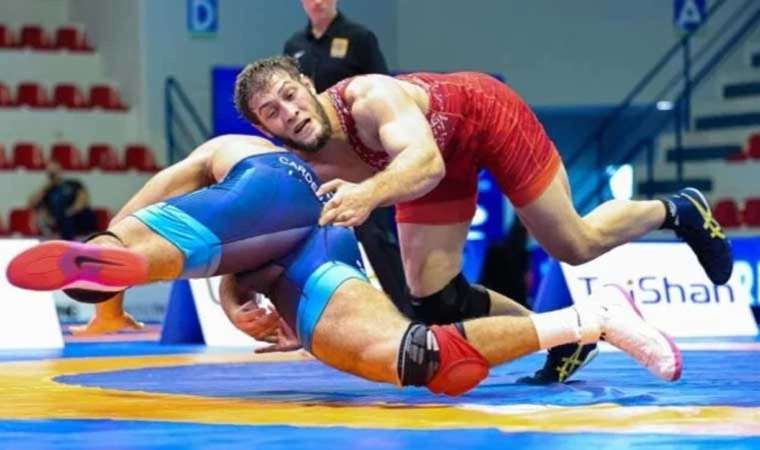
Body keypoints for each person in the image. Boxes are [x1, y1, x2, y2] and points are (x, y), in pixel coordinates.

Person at [6, 134, 682, 395]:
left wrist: (117, 251)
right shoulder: (282, 189)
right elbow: (246, 252)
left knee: (146, 247)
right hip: (312, 243)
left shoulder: (234, 149)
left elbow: (164, 192)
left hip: (275, 200)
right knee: (415, 356)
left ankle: (117, 259)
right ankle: (590, 318)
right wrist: (240, 297)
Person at [232, 55, 733, 382]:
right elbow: (259, 244)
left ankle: (679, 209)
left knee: (575, 244)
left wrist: (367, 194)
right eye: (271, 111)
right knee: (436, 302)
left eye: (289, 94)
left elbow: (424, 164)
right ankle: (568, 332)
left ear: (307, 84)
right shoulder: (296, 168)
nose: (288, 112)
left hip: (482, 118)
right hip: (423, 166)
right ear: (263, 128)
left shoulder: (368, 97)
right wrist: (245, 302)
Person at [284, 0, 412, 316]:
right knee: (318, 233)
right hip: (315, 156)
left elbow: (385, 89)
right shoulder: (294, 45)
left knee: (375, 234)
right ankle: (325, 315)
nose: (317, 2)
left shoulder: (359, 38)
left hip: (360, 153)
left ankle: (408, 314)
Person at [28, 162, 97, 240]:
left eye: (55, 172)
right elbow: (31, 203)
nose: (53, 175)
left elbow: (83, 200)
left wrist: (70, 211)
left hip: (77, 217)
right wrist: (46, 188)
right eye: (51, 173)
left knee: (78, 216)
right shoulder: (47, 191)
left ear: (60, 171)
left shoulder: (72, 184)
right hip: (59, 221)